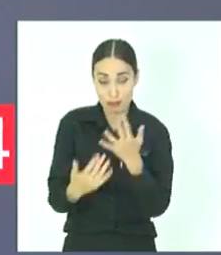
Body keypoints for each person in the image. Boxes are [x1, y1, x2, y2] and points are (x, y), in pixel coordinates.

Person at [47, 39, 173, 251]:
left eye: (122, 80)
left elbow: (158, 206)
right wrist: (74, 190)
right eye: (103, 81)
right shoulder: (73, 124)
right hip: (82, 242)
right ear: (93, 80)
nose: (113, 92)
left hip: (136, 244)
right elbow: (56, 200)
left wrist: (136, 166)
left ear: (136, 78)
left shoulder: (154, 130)